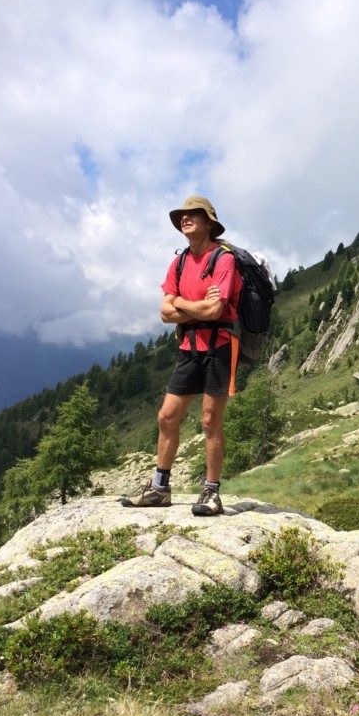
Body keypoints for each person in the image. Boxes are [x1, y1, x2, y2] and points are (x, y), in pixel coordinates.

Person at [120, 195, 242, 515]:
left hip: (220, 347)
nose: (184, 219)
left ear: (209, 222)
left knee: (210, 419)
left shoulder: (224, 260)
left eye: (192, 215)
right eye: (182, 216)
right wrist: (196, 307)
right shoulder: (180, 262)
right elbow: (164, 313)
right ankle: (160, 488)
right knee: (167, 416)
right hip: (189, 348)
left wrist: (182, 304)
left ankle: (212, 492)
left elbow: (216, 310)